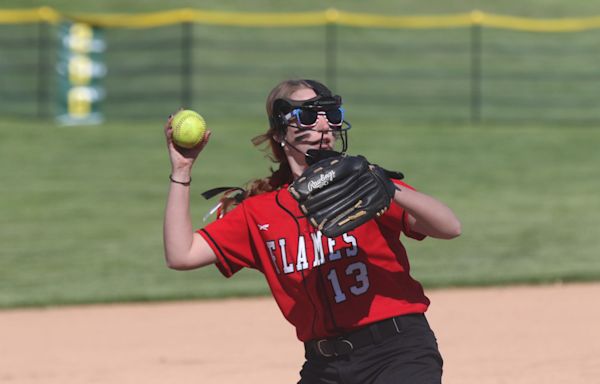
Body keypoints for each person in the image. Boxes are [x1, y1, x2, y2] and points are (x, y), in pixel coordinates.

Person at [163, 79, 461, 384]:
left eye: (331, 116)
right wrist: (182, 171)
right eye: (307, 117)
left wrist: (387, 185)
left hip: (397, 353)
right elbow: (181, 254)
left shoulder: (363, 184)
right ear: (280, 133)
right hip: (324, 368)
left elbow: (449, 227)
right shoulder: (259, 213)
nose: (323, 127)